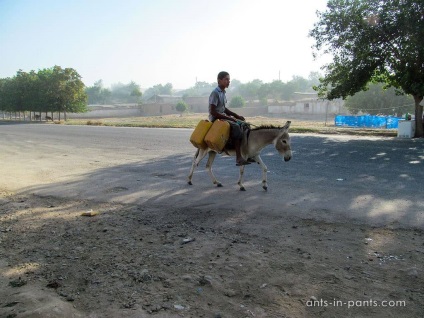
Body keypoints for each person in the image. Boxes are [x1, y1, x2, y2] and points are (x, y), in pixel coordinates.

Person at [209, 71, 250, 166]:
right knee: (236, 126)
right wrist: (230, 118)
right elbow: (213, 112)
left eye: (229, 79)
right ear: (219, 80)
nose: (228, 81)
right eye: (226, 79)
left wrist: (236, 116)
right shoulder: (215, 93)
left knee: (245, 124)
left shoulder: (223, 93)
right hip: (216, 119)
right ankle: (238, 158)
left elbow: (224, 109)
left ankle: (246, 153)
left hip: (223, 117)